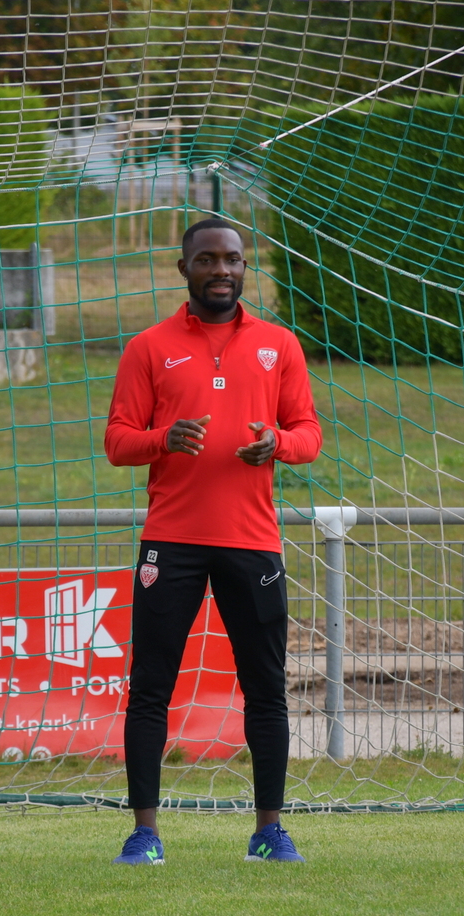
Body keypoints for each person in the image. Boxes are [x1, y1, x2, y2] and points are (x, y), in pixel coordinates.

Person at [103, 217, 324, 865]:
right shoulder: (148, 347)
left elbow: (308, 433)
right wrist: (163, 439)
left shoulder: (279, 345)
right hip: (170, 541)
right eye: (206, 259)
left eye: (232, 258)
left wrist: (276, 443)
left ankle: (269, 831)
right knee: (151, 688)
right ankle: (144, 834)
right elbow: (118, 440)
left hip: (251, 541)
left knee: (266, 689)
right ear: (184, 269)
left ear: (244, 267)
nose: (221, 269)